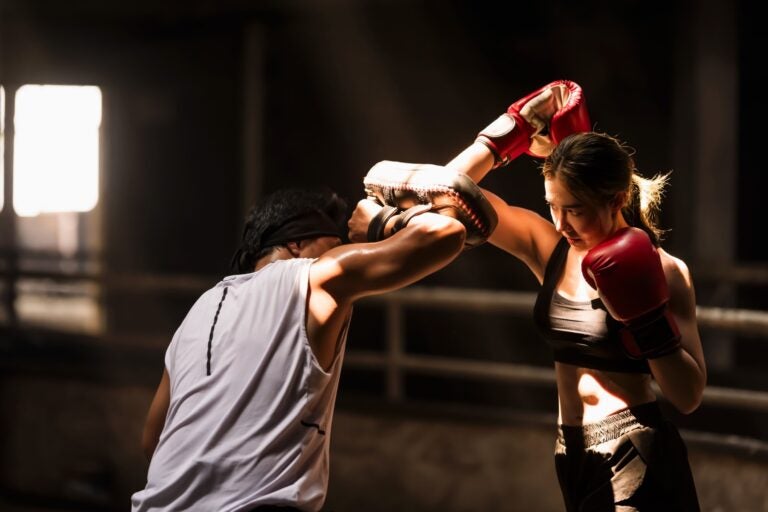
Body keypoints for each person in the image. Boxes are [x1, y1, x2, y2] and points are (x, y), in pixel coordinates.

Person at [130, 182, 487, 512]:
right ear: (297, 243)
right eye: (337, 244)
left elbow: (153, 440)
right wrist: (380, 224)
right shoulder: (311, 278)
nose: (347, 251)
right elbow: (445, 233)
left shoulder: (202, 308)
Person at [443, 80, 705, 510]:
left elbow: (689, 395)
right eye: (553, 206)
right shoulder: (549, 249)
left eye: (575, 209)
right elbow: (448, 193)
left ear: (616, 198)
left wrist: (645, 322)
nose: (561, 222)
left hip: (636, 448)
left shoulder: (665, 269)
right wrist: (507, 133)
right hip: (571, 453)